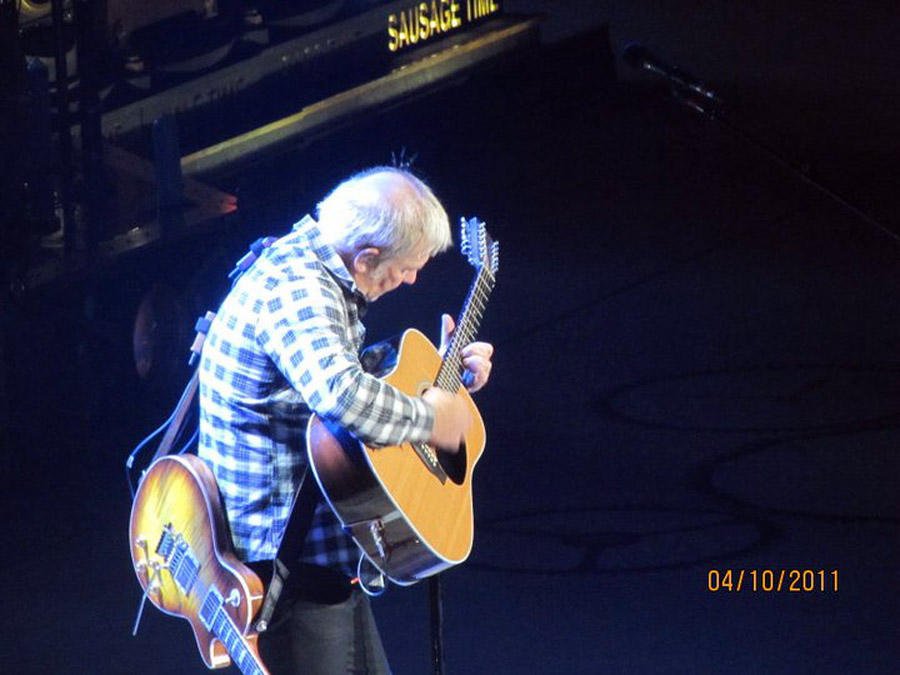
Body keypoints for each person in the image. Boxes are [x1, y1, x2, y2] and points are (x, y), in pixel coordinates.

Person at [197, 166, 494, 674]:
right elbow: (342, 396)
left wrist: (444, 378)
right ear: (367, 257)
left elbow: (323, 371)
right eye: (404, 269)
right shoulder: (297, 290)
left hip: (323, 544)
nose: (411, 280)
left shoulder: (319, 268)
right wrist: (429, 419)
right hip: (280, 567)